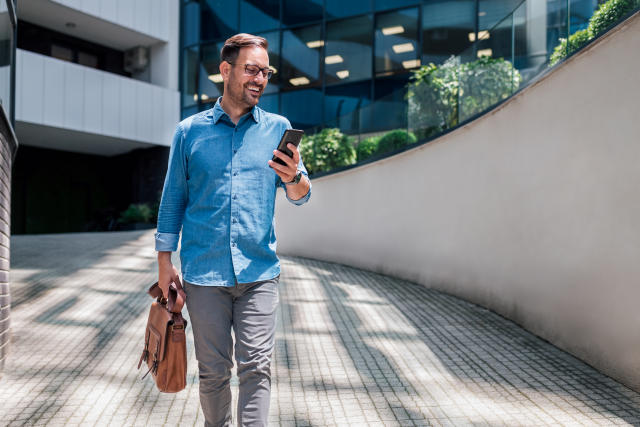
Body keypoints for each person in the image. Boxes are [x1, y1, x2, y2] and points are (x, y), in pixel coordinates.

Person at [155, 33, 311, 426]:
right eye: (251, 70)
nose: (260, 79)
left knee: (257, 369)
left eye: (266, 71)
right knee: (212, 372)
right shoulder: (189, 132)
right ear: (226, 70)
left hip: (259, 273)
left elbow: (301, 194)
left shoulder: (278, 128)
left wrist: (294, 177)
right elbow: (173, 200)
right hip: (205, 274)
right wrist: (163, 264)